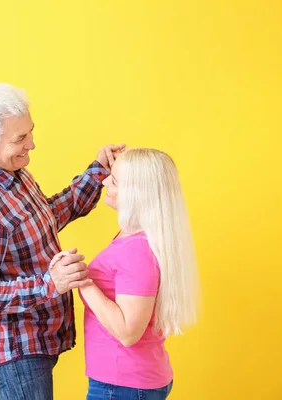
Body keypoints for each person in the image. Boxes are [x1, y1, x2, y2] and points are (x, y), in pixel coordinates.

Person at [0, 82, 125, 400]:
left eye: (30, 132)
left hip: (36, 341)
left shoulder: (12, 171)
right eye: (20, 139)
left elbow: (44, 218)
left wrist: (98, 173)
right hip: (15, 353)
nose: (32, 144)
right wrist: (48, 284)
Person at [52, 148, 199, 400]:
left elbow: (128, 332)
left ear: (137, 194)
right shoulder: (135, 238)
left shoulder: (136, 250)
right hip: (127, 382)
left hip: (122, 385)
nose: (106, 181)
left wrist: (82, 280)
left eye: (115, 180)